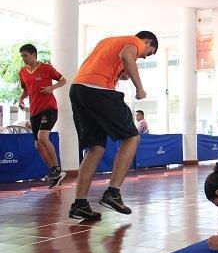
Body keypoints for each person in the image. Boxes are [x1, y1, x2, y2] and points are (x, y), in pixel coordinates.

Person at [68, 31, 158, 220]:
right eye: (148, 52)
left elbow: (100, 63)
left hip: (78, 90)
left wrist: (119, 74)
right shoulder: (135, 41)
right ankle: (113, 193)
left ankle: (80, 204)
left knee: (96, 148)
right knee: (132, 137)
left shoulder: (107, 41)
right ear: (147, 41)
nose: (143, 56)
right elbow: (126, 55)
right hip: (98, 89)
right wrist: (139, 88)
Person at [17, 44, 67, 188]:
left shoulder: (46, 68)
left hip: (49, 109)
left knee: (42, 138)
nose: (24, 59)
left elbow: (63, 80)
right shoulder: (23, 72)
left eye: (25, 55)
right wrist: (21, 98)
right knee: (38, 145)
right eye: (22, 56)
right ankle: (54, 171)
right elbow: (26, 89)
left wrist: (52, 87)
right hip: (34, 112)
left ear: (33, 54)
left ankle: (57, 168)